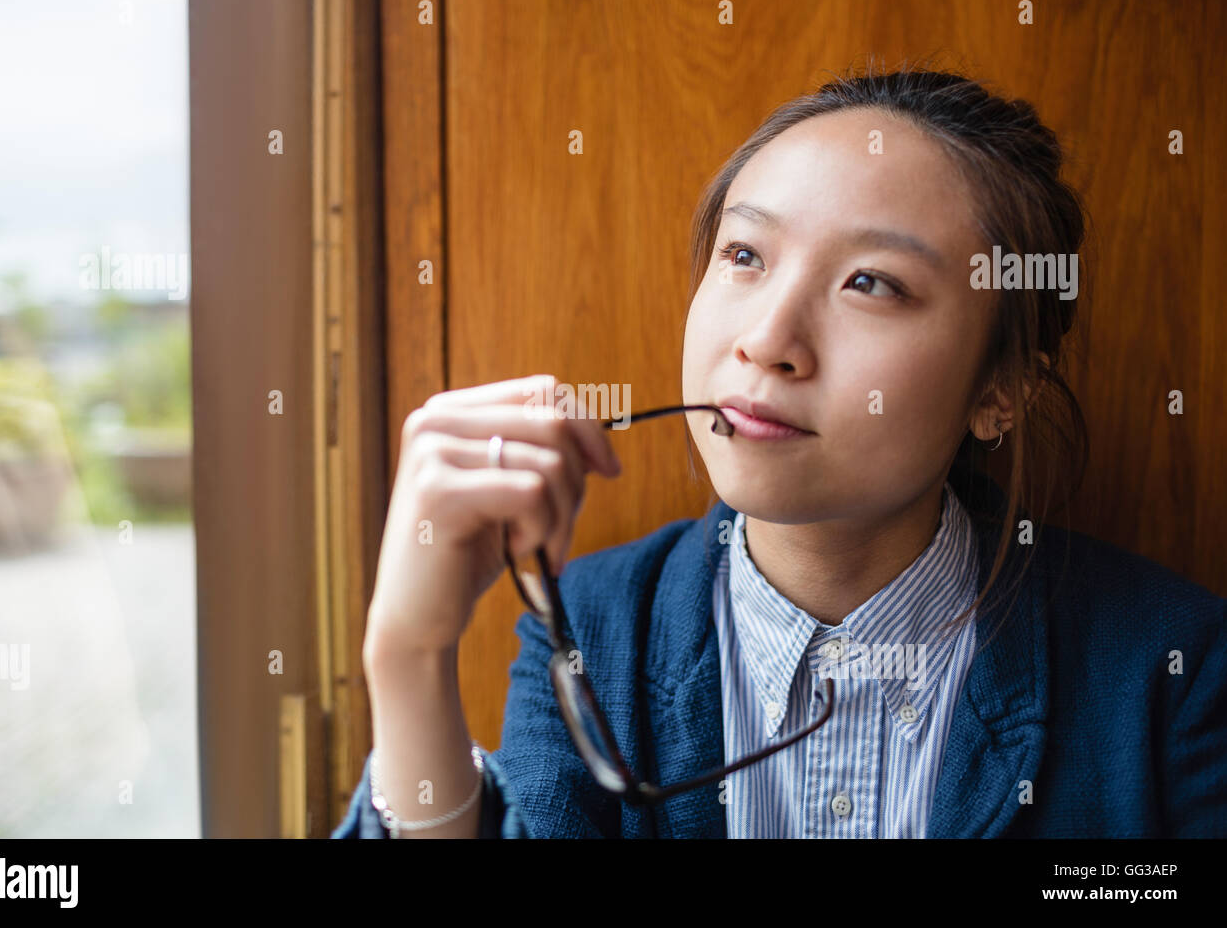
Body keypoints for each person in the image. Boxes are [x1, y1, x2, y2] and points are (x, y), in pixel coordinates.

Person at [333, 66, 1226, 839]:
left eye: (870, 283)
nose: (766, 340)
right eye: (746, 254)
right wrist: (409, 658)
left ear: (1000, 391)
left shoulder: (1172, 668)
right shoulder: (591, 632)